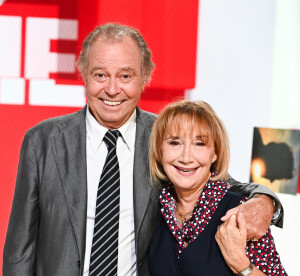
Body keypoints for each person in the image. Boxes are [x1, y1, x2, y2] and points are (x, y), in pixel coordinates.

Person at [3, 23, 282, 276]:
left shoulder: (166, 137)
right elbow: (20, 248)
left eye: (125, 76)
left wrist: (266, 203)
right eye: (100, 74)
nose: (112, 89)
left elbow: (221, 183)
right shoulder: (43, 140)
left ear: (144, 78)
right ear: (84, 75)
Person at [148, 100, 287, 276]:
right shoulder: (158, 207)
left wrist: (241, 264)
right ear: (160, 150)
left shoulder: (241, 210)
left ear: (215, 153)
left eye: (199, 144)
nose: (185, 157)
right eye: (175, 143)